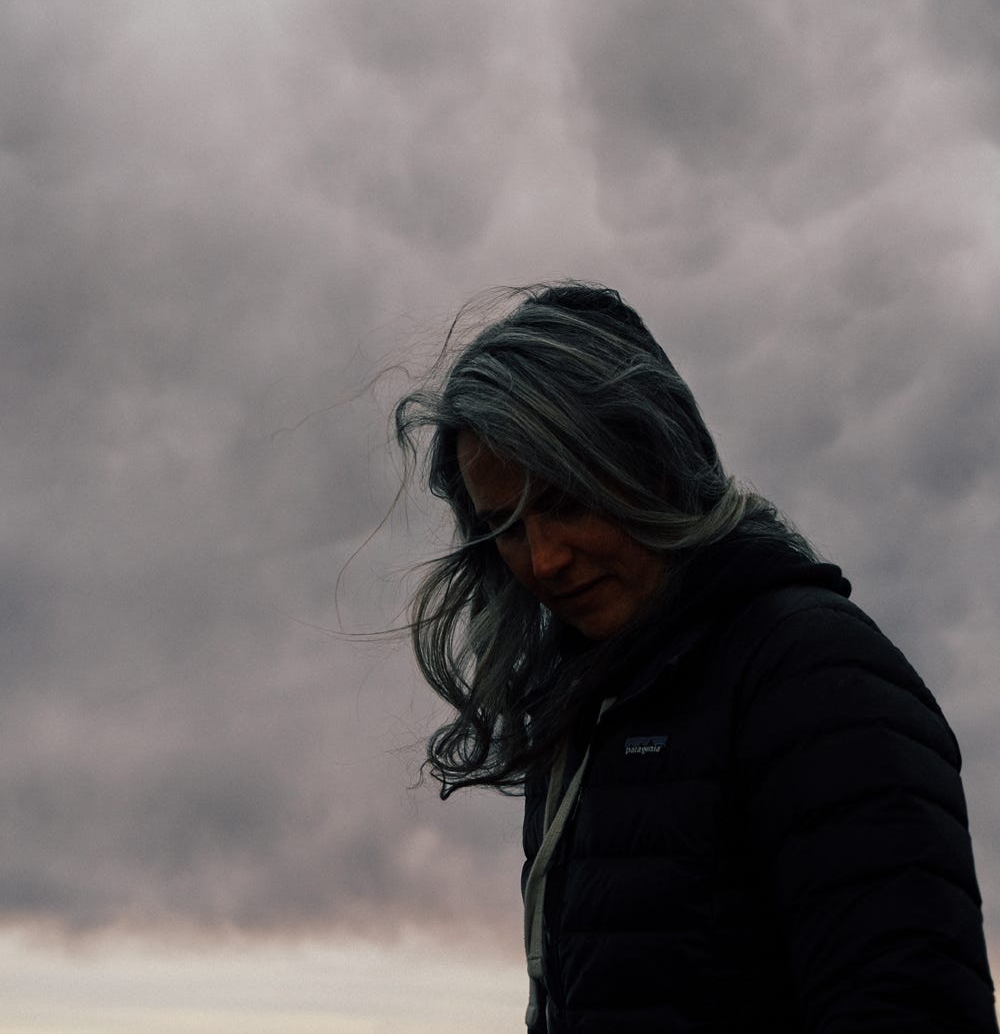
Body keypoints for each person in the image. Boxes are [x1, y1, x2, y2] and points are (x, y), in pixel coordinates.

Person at [394, 281, 998, 1033]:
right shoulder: (590, 703)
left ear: (655, 464)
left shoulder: (811, 673)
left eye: (564, 502)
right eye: (508, 528)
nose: (544, 560)